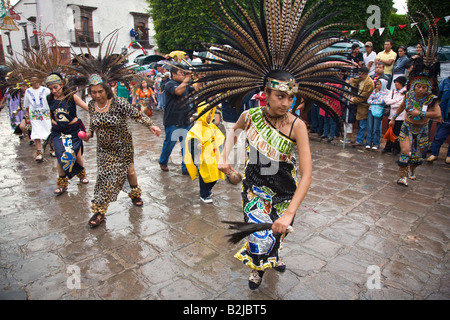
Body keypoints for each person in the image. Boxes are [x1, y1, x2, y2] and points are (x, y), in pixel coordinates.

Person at [71, 31, 162, 227]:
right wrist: (87, 136)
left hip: (123, 146)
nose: (96, 96)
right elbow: (93, 125)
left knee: (129, 171)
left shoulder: (118, 103)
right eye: (93, 92)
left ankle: (135, 193)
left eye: (100, 92)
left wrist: (152, 125)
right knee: (103, 178)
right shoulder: (93, 105)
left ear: (106, 90)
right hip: (104, 149)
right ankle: (99, 212)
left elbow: (136, 114)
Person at [46, 73, 90, 195]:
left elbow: (87, 107)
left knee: (77, 156)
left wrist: (102, 111)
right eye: (50, 89)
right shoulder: (49, 99)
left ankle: (82, 176)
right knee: (60, 156)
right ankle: (62, 185)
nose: (54, 91)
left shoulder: (72, 97)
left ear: (62, 84)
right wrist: (52, 125)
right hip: (58, 132)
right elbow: (50, 114)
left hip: (73, 131)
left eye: (56, 87)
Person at [158, 63, 195, 173]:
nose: (183, 74)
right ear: (173, 74)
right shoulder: (170, 84)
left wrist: (200, 78)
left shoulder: (186, 85)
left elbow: (196, 89)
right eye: (181, 73)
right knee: (170, 143)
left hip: (185, 119)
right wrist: (187, 78)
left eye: (184, 72)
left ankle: (185, 168)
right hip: (172, 120)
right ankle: (163, 161)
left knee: (186, 145)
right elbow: (178, 91)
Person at [185, 103, 225, 203]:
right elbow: (191, 140)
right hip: (202, 158)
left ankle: (208, 189)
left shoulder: (211, 126)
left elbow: (218, 137)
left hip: (213, 155)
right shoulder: (196, 128)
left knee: (215, 174)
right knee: (204, 176)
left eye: (212, 113)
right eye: (208, 113)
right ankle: (204, 194)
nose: (211, 116)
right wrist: (197, 145)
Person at [23, 77, 51, 162]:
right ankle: (39, 152)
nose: (35, 82)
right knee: (36, 132)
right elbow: (27, 105)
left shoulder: (46, 90)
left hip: (46, 115)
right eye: (32, 80)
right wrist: (27, 117)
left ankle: (52, 149)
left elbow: (51, 102)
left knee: (49, 131)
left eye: (36, 80)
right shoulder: (28, 91)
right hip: (35, 116)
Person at [426, 76, 450, 164]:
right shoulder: (446, 81)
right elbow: (439, 99)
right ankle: (434, 153)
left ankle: (449, 156)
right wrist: (440, 114)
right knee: (439, 136)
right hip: (446, 114)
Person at [350, 67, 375, 147]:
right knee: (360, 123)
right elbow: (353, 81)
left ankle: (360, 140)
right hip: (358, 104)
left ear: (365, 74)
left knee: (362, 124)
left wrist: (353, 99)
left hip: (364, 105)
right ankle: (359, 139)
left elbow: (364, 96)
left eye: (361, 74)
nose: (359, 75)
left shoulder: (369, 82)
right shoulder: (360, 79)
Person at [383, 76, 407, 155]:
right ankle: (388, 147)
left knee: (397, 133)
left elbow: (401, 104)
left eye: (398, 82)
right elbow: (387, 101)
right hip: (391, 115)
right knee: (390, 131)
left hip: (401, 117)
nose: (396, 84)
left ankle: (396, 148)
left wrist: (393, 102)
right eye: (395, 82)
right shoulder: (393, 91)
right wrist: (396, 101)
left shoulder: (405, 92)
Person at [366, 78, 389, 150]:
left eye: (379, 84)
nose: (377, 86)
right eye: (376, 84)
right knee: (370, 127)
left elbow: (382, 101)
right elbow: (369, 100)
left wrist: (377, 95)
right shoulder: (374, 91)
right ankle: (368, 142)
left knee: (376, 128)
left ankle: (376, 143)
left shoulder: (387, 92)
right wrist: (375, 99)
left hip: (378, 111)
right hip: (371, 110)